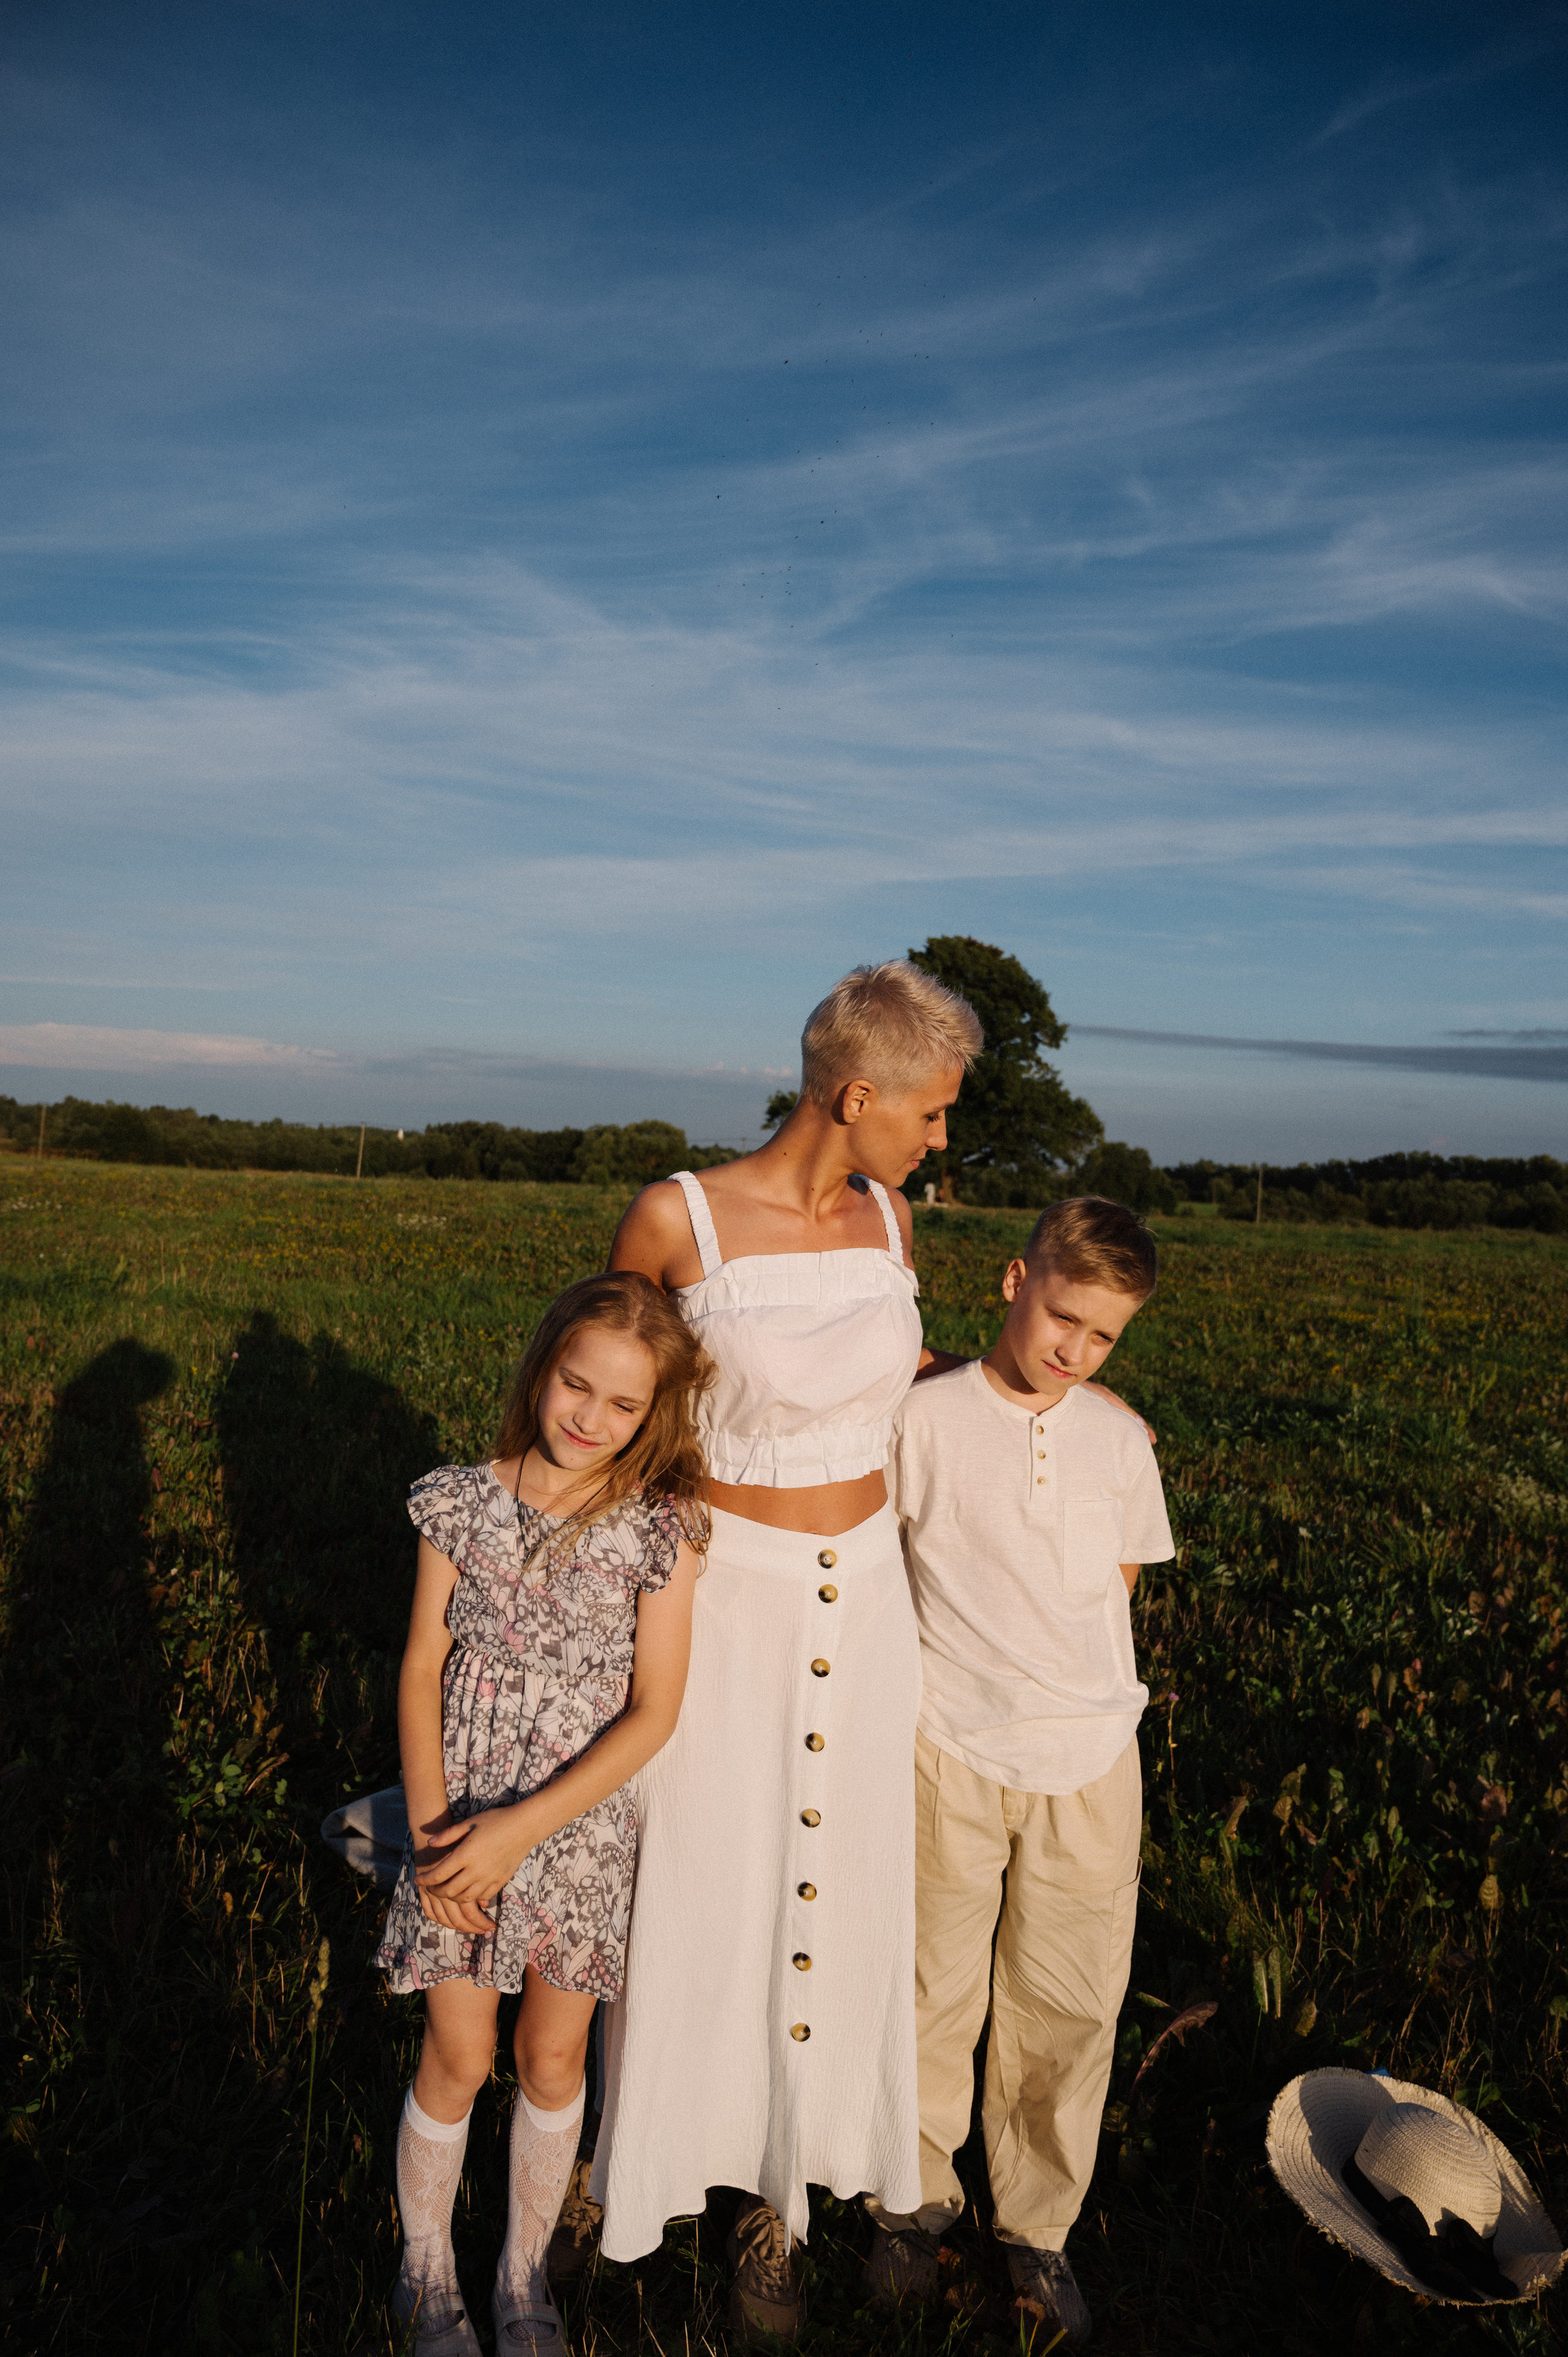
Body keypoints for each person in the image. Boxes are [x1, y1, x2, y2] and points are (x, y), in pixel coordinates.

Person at [590, 959, 983, 2338]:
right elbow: (598, 1382)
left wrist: (1029, 1399)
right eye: (930, 1113)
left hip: (866, 1596)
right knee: (715, 1884)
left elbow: (883, 1389)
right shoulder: (677, 1217)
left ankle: (793, 2199)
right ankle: (669, 2175)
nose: (940, 1141)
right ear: (856, 1092)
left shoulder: (887, 1222)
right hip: (726, 1591)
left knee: (846, 1883)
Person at [374, 1273, 711, 2356]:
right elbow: (423, 1665)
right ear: (543, 1367)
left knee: (554, 2058)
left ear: (654, 1413)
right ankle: (426, 2276)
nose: (591, 1420)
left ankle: (521, 2276)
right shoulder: (461, 1499)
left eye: (623, 1406)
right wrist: (434, 1836)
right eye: (577, 1386)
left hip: (578, 1825)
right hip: (460, 1818)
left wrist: (528, 1828)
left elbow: (655, 1711)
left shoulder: (663, 1527)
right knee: (461, 2052)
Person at [865, 1196, 1175, 2351]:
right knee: (928, 1983)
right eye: (1063, 1316)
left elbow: (1123, 1579)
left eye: (1104, 1337)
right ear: (1014, 1280)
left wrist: (1070, 1686)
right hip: (948, 1739)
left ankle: (1036, 2224)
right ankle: (912, 2196)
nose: (1075, 1351)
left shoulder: (1117, 1438)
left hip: (1090, 1756)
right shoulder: (925, 1418)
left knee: (1070, 1998)